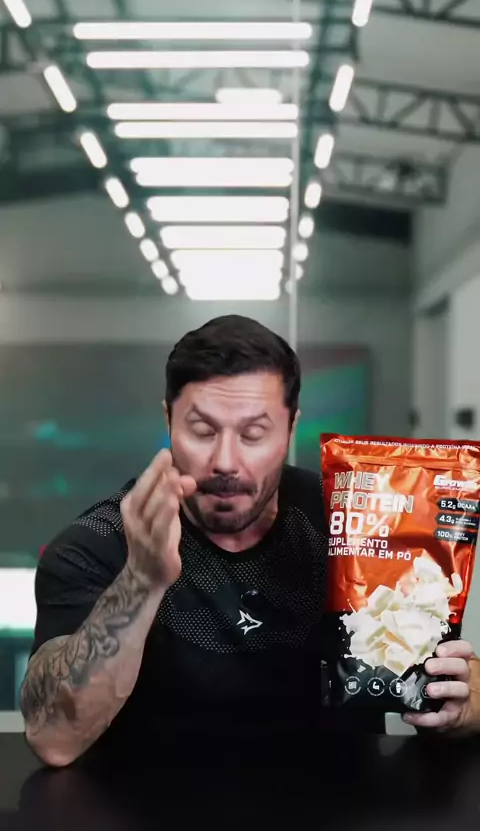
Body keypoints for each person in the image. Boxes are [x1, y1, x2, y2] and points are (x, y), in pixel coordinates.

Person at [20, 315, 476, 767]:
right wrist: (141, 581)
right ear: (168, 421)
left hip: (338, 802)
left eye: (253, 434)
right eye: (202, 431)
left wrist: (464, 701)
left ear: (291, 429)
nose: (225, 461)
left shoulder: (354, 529)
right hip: (149, 802)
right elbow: (53, 737)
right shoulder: (98, 544)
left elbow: (450, 691)